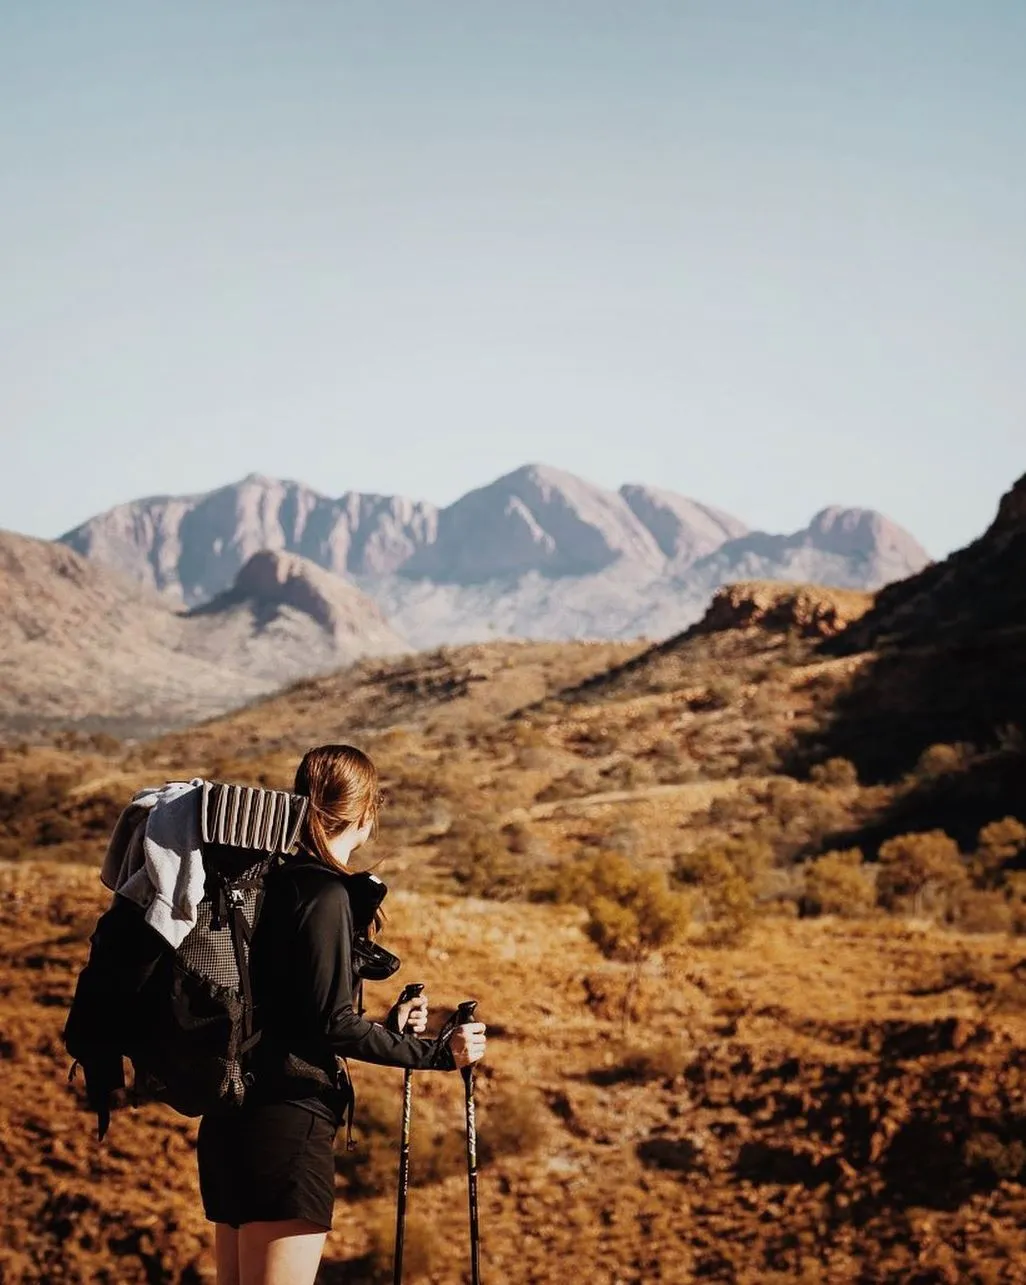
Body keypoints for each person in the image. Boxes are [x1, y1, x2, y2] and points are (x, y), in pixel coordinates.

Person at [196, 744, 487, 1285]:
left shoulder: (263, 883)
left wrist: (384, 1029)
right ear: (366, 813)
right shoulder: (323, 893)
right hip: (289, 1124)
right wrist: (437, 1055)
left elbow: (290, 1011)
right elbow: (330, 1023)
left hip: (231, 1120)